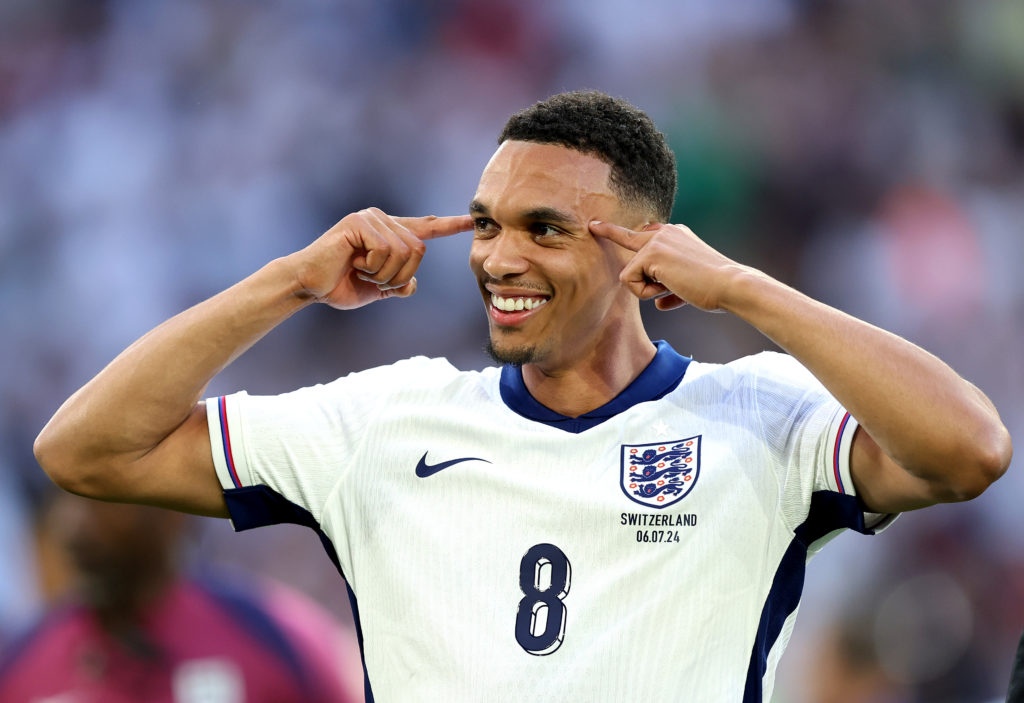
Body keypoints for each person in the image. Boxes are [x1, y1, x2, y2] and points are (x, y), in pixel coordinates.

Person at [33, 91, 1012, 701]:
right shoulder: (384, 420)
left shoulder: (758, 416)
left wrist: (745, 289)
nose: (499, 257)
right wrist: (288, 279)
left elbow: (968, 448)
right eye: (488, 224)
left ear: (644, 247)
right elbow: (87, 450)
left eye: (544, 229)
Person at [0, 491, 363, 703]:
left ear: (170, 510)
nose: (73, 526)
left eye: (101, 500)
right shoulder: (22, 668)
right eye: (64, 499)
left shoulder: (275, 637)